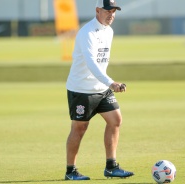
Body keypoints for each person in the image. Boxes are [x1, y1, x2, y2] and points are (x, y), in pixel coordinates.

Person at [64, 0, 134, 181]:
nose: (111, 14)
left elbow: (101, 64)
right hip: (81, 89)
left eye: (114, 11)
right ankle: (70, 171)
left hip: (101, 88)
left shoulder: (109, 31)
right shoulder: (87, 33)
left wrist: (107, 84)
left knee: (115, 120)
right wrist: (111, 83)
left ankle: (111, 167)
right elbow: (92, 63)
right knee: (80, 128)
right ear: (97, 11)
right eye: (107, 11)